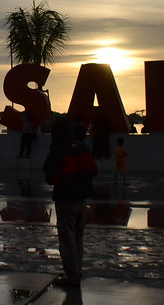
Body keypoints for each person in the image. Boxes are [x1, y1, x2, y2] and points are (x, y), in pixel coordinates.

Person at [43, 115, 98, 289]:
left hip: (65, 199)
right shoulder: (82, 147)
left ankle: (72, 277)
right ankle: (76, 271)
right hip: (82, 199)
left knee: (67, 238)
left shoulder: (58, 150)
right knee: (78, 236)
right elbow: (93, 170)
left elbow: (49, 178)